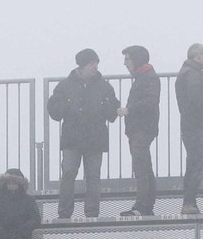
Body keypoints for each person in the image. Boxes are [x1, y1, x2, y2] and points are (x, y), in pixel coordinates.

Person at [47, 48, 119, 221]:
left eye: (96, 63)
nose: (95, 67)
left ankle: (91, 212)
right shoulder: (66, 86)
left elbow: (113, 111)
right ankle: (65, 212)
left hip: (91, 138)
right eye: (92, 63)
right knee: (69, 173)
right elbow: (54, 110)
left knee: (92, 175)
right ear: (82, 65)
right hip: (76, 138)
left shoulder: (103, 86)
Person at [118, 45, 161, 218]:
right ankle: (146, 205)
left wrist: (130, 110)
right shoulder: (144, 77)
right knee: (144, 166)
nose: (124, 63)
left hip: (142, 128)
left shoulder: (147, 78)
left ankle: (141, 206)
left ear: (136, 59)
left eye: (127, 59)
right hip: (141, 128)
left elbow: (151, 102)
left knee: (141, 167)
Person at [175, 42, 203, 217]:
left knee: (194, 163)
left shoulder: (188, 73)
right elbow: (196, 100)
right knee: (198, 164)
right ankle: (189, 202)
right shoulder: (192, 75)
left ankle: (189, 201)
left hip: (192, 126)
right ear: (197, 56)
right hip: (197, 126)